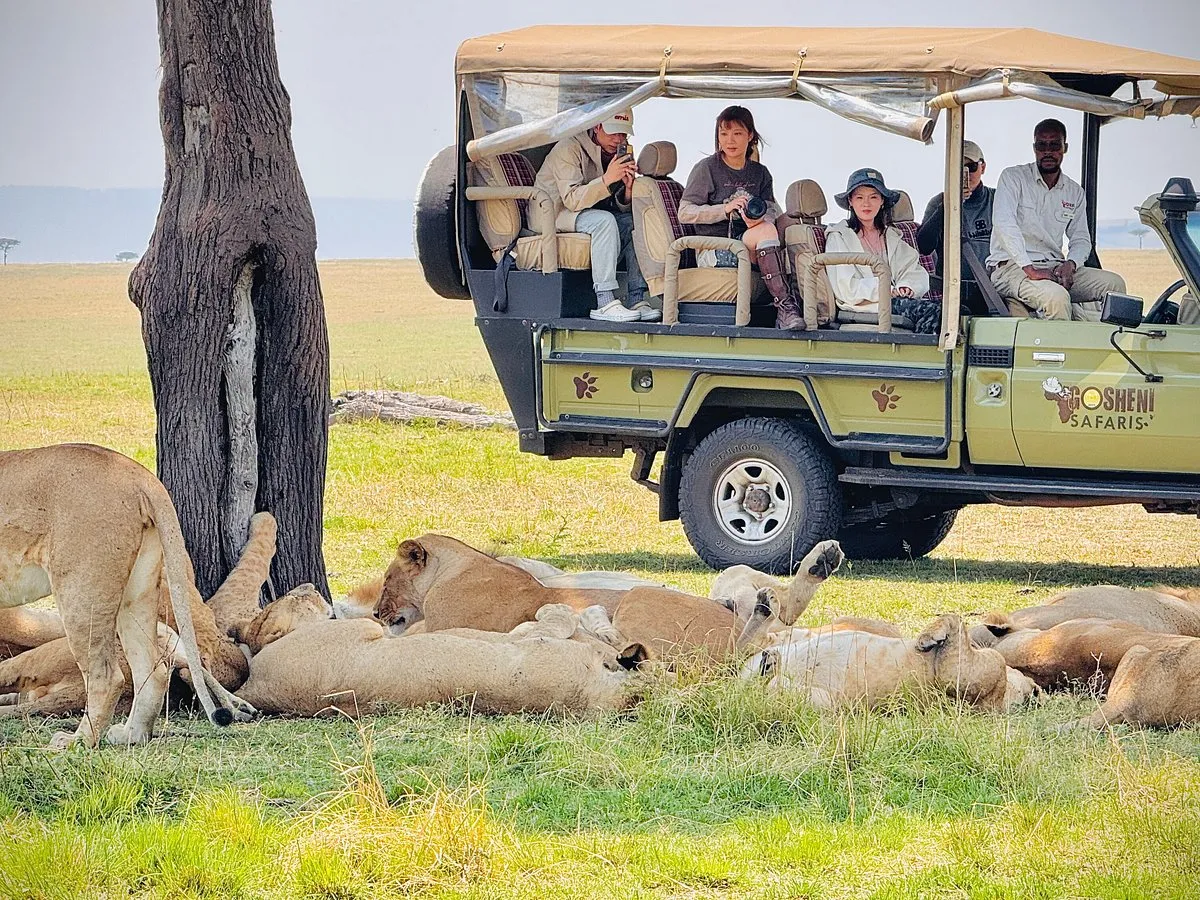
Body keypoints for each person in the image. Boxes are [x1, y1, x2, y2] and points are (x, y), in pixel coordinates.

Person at [677, 106, 803, 330]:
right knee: (766, 233)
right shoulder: (706, 168)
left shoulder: (760, 173)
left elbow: (772, 208)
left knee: (792, 224)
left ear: (750, 135)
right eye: (723, 134)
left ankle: (806, 300)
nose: (730, 141)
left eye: (737, 133)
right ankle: (786, 308)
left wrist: (761, 218)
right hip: (715, 247)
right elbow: (685, 212)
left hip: (751, 238)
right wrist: (724, 209)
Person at [987, 119, 1126, 320]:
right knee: (1057, 297)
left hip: (1054, 267)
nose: (1048, 151)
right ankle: (1059, 352)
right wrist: (1029, 268)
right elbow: (1004, 225)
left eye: (1054, 145)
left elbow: (1081, 239)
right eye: (1042, 145)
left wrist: (1071, 264)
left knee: (1114, 284)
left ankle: (1110, 347)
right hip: (1011, 268)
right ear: (1035, 148)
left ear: (1064, 148)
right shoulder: (1013, 178)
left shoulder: (1074, 192)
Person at [533, 109, 656, 322]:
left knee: (633, 222)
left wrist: (627, 189)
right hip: (552, 213)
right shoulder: (568, 148)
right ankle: (605, 301)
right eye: (613, 133)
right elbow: (571, 199)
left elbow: (612, 205)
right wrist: (608, 179)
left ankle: (637, 298)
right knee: (604, 221)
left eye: (623, 135)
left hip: (586, 212)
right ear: (597, 126)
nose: (618, 139)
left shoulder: (614, 154)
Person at [825, 168, 939, 334]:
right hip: (865, 305)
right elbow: (846, 286)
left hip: (896, 301)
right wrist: (886, 289)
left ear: (882, 201)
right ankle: (925, 357)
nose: (866, 203)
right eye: (859, 197)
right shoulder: (838, 236)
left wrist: (906, 287)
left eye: (873, 197)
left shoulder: (891, 236)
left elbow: (912, 270)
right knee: (933, 312)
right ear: (850, 201)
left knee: (957, 311)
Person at [916, 140, 994, 311]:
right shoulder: (938, 202)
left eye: (971, 167)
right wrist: (948, 204)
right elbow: (924, 247)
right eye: (959, 167)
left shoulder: (997, 199)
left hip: (995, 291)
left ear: (983, 167)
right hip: (954, 293)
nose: (966, 173)